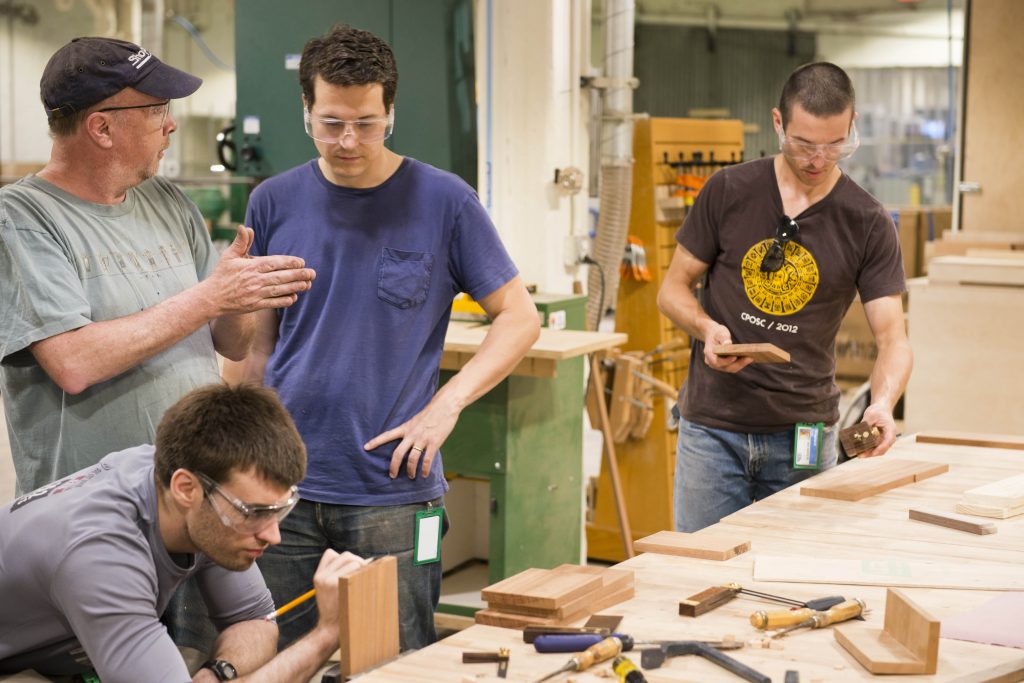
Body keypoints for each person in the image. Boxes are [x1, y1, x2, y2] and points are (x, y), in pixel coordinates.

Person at [222, 24, 540, 651]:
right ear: (306, 109)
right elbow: (256, 346)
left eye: (367, 124)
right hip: (281, 484)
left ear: (390, 112)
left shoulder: (445, 201)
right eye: (331, 123)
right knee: (273, 655)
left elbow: (519, 316)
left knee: (395, 659)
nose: (348, 141)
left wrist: (446, 405)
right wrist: (237, 460)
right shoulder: (273, 202)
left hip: (393, 489)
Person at [0, 36, 316, 495]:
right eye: (156, 110)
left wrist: (238, 296)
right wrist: (210, 296)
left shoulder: (167, 200)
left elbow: (233, 345)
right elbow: (73, 363)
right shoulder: (22, 217)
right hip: (93, 507)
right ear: (102, 129)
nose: (171, 125)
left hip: (192, 492)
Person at [657, 62, 913, 533]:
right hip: (714, 430)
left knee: (797, 568)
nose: (818, 159)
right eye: (803, 144)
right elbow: (672, 290)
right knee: (700, 564)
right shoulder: (728, 191)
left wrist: (883, 402)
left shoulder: (867, 221)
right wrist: (706, 328)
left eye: (835, 145)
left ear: (852, 126)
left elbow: (893, 339)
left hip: (804, 434)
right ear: (778, 123)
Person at [0, 383, 367, 682]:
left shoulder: (195, 487)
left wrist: (218, 673)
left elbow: (256, 621)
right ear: (186, 489)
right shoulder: (101, 555)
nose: (274, 536)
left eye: (279, 510)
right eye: (255, 513)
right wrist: (326, 635)